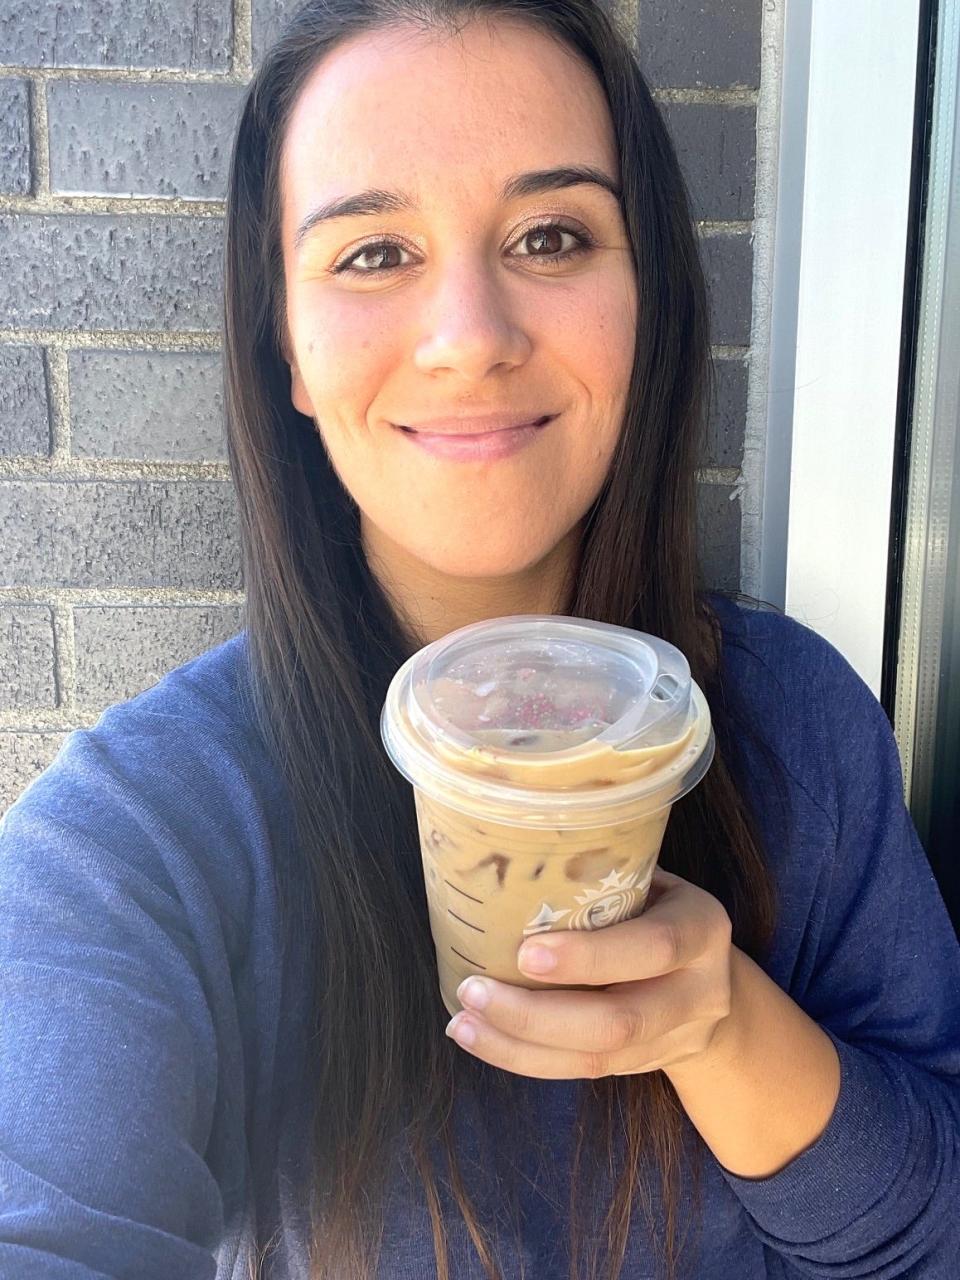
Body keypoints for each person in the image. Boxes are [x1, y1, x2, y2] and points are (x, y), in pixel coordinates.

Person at [1, 1, 958, 1277]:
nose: (470, 338)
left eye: (551, 236)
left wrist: (725, 1030)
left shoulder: (804, 727)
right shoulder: (138, 834)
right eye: (372, 253)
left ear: (649, 304)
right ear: (284, 344)